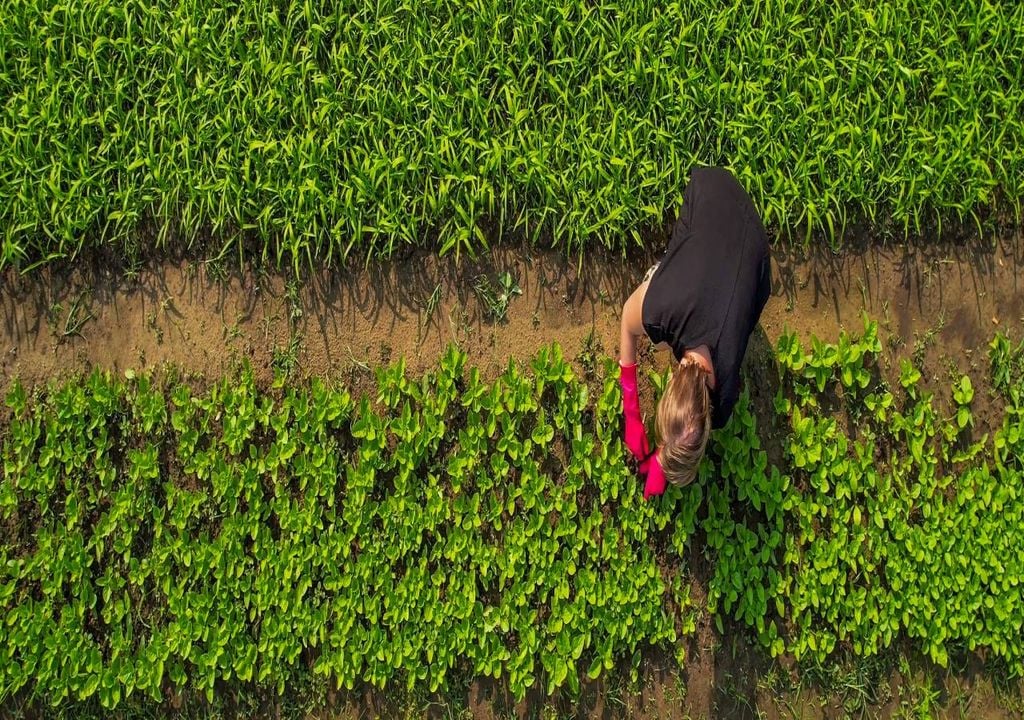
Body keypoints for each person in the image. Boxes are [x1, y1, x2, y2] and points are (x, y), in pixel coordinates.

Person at [618, 166, 772, 499]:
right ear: (671, 386)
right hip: (717, 196)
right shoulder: (663, 307)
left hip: (748, 235)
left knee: (728, 305)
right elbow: (627, 322)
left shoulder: (725, 395)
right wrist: (630, 409)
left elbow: (629, 327)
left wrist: (659, 455)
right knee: (665, 281)